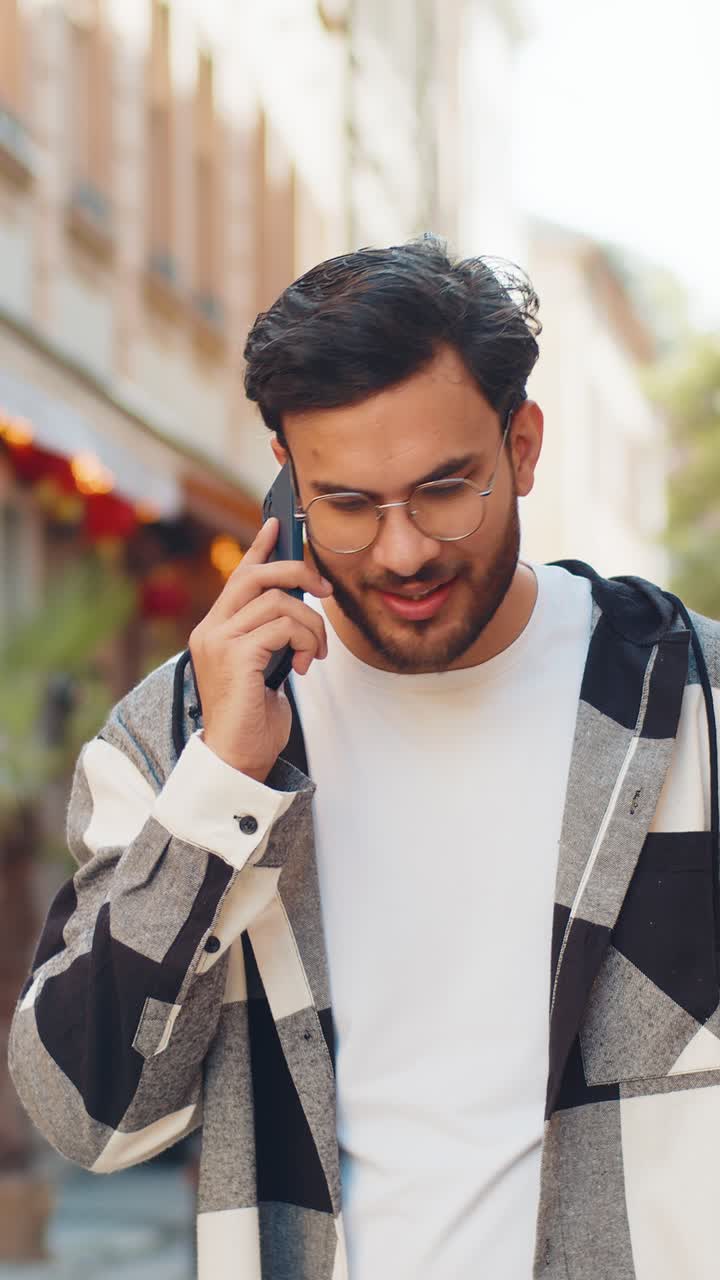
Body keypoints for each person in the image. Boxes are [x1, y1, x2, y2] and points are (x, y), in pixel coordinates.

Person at [8, 235, 720, 1280]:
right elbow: (87, 1119)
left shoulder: (696, 701)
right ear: (287, 487)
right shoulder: (178, 741)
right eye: (346, 503)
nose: (402, 549)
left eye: (446, 488)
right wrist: (220, 787)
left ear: (523, 445)